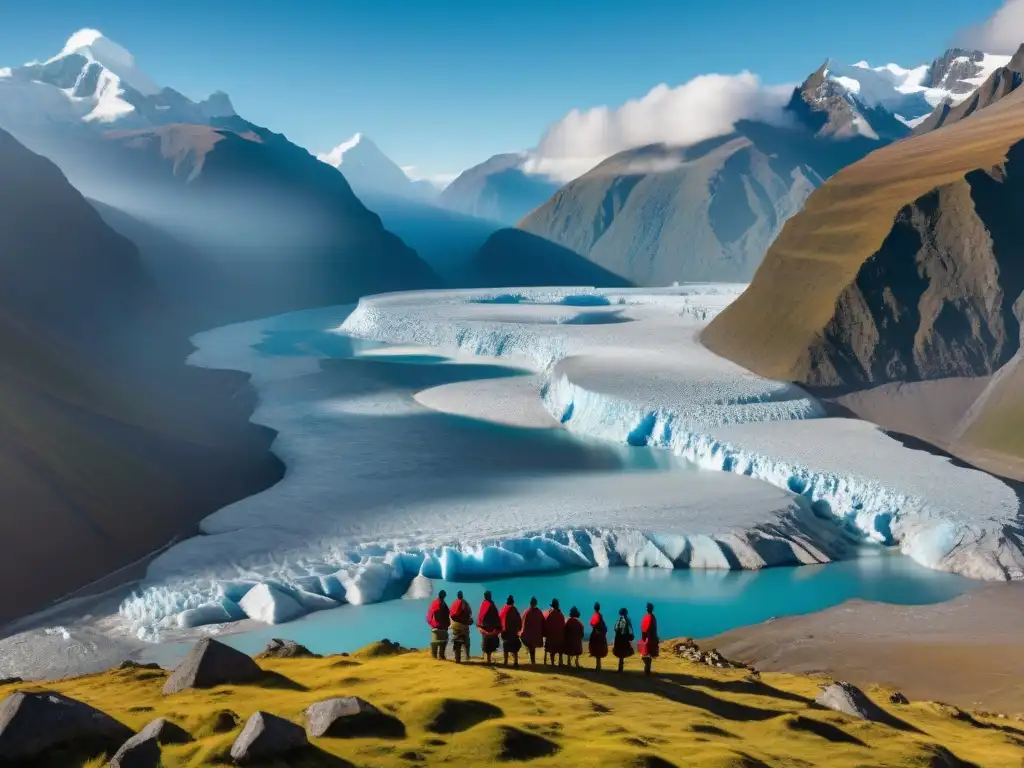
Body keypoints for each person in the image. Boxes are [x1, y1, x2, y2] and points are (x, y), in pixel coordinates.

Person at [477, 591, 502, 664]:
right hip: (490, 626)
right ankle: (488, 659)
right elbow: (496, 615)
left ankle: (487, 659)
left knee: (486, 643)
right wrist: (498, 626)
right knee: (490, 644)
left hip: (484, 626)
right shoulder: (491, 604)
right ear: (489, 596)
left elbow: (480, 615)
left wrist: (480, 624)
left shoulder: (484, 604)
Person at [449, 590, 474, 663]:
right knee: (467, 641)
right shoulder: (465, 603)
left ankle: (457, 656)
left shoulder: (454, 603)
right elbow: (470, 613)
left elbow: (451, 614)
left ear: (457, 596)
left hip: (455, 625)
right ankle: (467, 656)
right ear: (462, 595)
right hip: (464, 625)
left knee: (455, 636)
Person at [498, 595, 523, 667]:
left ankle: (505, 662)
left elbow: (500, 619)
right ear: (513, 602)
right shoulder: (514, 609)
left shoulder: (503, 609)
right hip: (513, 633)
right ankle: (515, 662)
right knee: (515, 647)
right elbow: (519, 620)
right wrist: (519, 629)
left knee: (506, 647)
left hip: (505, 633)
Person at [426, 590, 450, 660]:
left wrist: (432, 624)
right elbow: (448, 615)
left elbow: (429, 617)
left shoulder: (434, 603)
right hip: (443, 628)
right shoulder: (444, 605)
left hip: (435, 628)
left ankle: (434, 657)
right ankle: (441, 656)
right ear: (444, 596)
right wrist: (447, 625)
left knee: (434, 644)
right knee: (443, 643)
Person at [520, 597, 545, 665]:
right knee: (532, 647)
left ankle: (532, 661)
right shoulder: (539, 612)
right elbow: (543, 622)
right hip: (536, 635)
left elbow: (522, 622)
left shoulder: (527, 611)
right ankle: (533, 661)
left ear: (530, 603)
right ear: (536, 604)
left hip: (529, 635)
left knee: (530, 646)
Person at [543, 598, 566, 666]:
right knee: (560, 647)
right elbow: (563, 626)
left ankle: (552, 663)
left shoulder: (550, 614)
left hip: (551, 639)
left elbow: (546, 625)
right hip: (559, 639)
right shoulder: (561, 615)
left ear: (552, 606)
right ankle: (560, 662)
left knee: (551, 648)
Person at [639, 603, 659, 676]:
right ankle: (647, 669)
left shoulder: (650, 617)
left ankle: (647, 670)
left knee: (647, 654)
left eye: (648, 607)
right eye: (647, 607)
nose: (647, 608)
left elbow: (647, 628)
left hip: (649, 638)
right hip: (649, 638)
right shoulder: (650, 617)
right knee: (647, 654)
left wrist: (645, 637)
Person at [612, 607, 635, 673]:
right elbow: (630, 630)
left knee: (620, 653)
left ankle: (620, 668)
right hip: (625, 639)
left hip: (618, 638)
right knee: (623, 652)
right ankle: (620, 668)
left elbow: (615, 628)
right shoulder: (628, 620)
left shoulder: (618, 620)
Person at [588, 602, 609, 670]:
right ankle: (598, 665)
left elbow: (591, 623)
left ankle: (597, 666)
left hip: (596, 634)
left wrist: (595, 628)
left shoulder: (595, 615)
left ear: (594, 608)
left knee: (594, 647)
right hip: (601, 634)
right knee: (599, 650)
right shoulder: (600, 615)